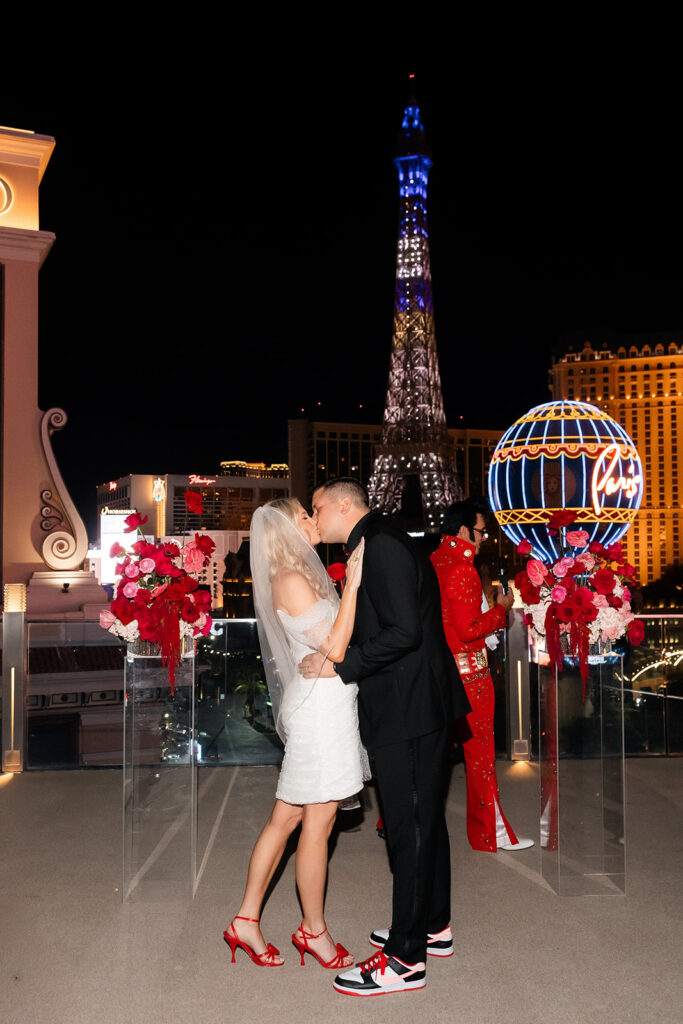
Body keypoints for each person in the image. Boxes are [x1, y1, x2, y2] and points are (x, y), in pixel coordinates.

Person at [300, 478, 470, 997]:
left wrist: (341, 667)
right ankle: (431, 926)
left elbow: (404, 633)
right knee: (423, 822)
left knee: (409, 827)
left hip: (410, 708)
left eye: (318, 507)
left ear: (346, 505)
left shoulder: (383, 546)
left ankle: (404, 959)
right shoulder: (379, 542)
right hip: (413, 704)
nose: (315, 515)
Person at [224, 497, 368, 969]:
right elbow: (335, 644)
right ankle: (314, 931)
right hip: (319, 713)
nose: (313, 520)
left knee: (285, 818)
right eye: (305, 515)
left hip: (325, 704)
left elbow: (330, 650)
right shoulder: (289, 579)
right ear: (287, 528)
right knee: (318, 822)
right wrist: (353, 587)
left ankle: (246, 921)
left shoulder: (301, 575)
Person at [431, 499, 533, 853]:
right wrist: (501, 611)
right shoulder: (461, 568)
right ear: (463, 531)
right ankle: (490, 834)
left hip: (440, 673)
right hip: (470, 677)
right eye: (481, 531)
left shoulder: (435, 561)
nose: (484, 538)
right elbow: (470, 627)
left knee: (431, 753)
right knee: (480, 757)